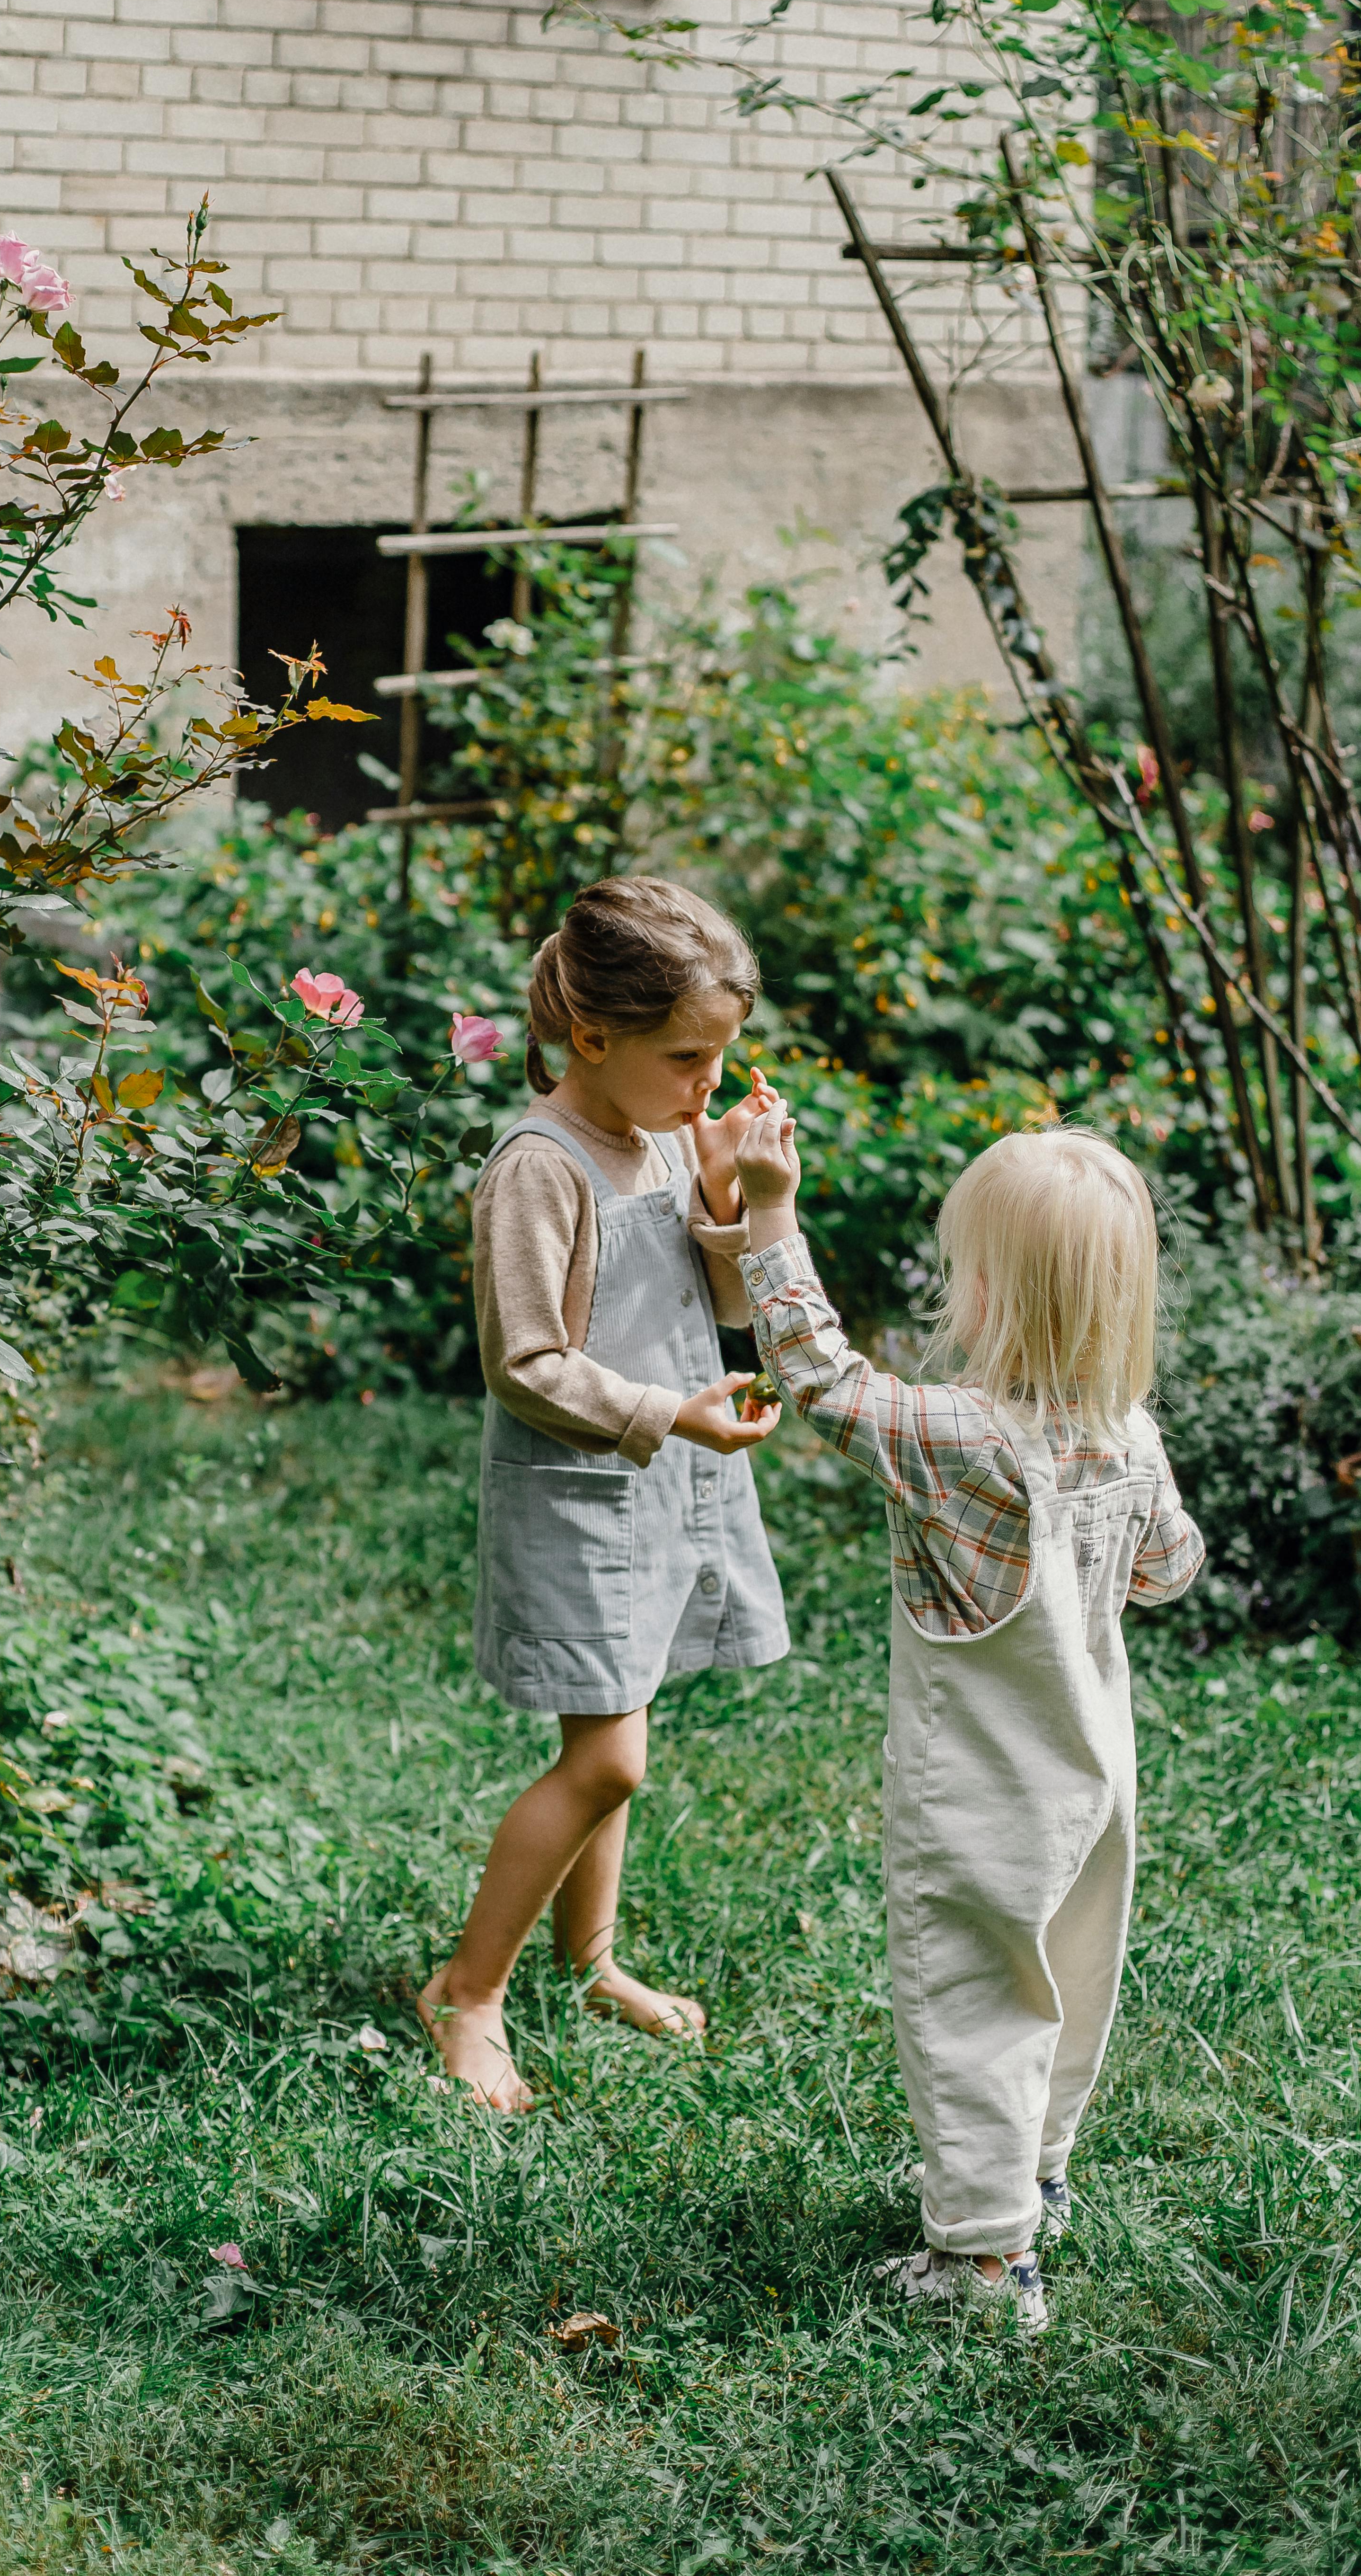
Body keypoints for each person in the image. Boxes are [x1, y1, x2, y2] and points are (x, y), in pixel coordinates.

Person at [734, 1108, 1204, 2334]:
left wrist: (770, 1214)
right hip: (1098, 1774)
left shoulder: (959, 1436)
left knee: (976, 1996)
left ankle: (984, 2267)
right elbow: (1168, 1573)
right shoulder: (1130, 1436)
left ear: (988, 1290)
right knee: (1072, 1977)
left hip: (987, 1790)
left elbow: (821, 1378)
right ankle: (1032, 2182)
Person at [420, 876, 791, 2111]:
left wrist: (741, 1202)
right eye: (690, 1058)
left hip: (668, 1479)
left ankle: (591, 1964)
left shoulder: (674, 1138)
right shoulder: (542, 1165)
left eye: (725, 1056)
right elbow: (524, 1363)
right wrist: (664, 1413)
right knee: (613, 1760)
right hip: (581, 1489)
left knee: (618, 1717)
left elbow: (718, 1308)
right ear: (593, 1039)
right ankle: (467, 1993)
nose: (709, 1085)